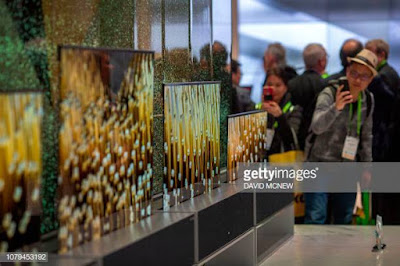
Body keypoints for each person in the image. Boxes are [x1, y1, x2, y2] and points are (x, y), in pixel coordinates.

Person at [304, 49, 377, 224]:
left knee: (343, 219)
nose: (357, 80)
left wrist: (368, 167)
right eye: (354, 73)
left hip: (347, 168)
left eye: (364, 76)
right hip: (319, 164)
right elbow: (317, 126)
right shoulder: (330, 92)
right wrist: (336, 107)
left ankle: (338, 253)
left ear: (371, 79)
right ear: (347, 71)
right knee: (316, 217)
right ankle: (313, 252)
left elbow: (366, 136)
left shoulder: (368, 99)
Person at [366, 39, 400, 224]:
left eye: (370, 54)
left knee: (384, 200)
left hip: (386, 146)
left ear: (381, 55)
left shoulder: (385, 76)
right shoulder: (386, 73)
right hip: (384, 143)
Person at [288, 43, 328, 150]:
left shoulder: (291, 84)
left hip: (295, 137)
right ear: (321, 62)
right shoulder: (326, 85)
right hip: (318, 138)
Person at [262, 67, 302, 157]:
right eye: (269, 84)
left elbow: (292, 139)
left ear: (285, 88)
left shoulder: (294, 109)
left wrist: (280, 117)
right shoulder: (256, 108)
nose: (273, 88)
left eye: (278, 85)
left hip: (283, 162)